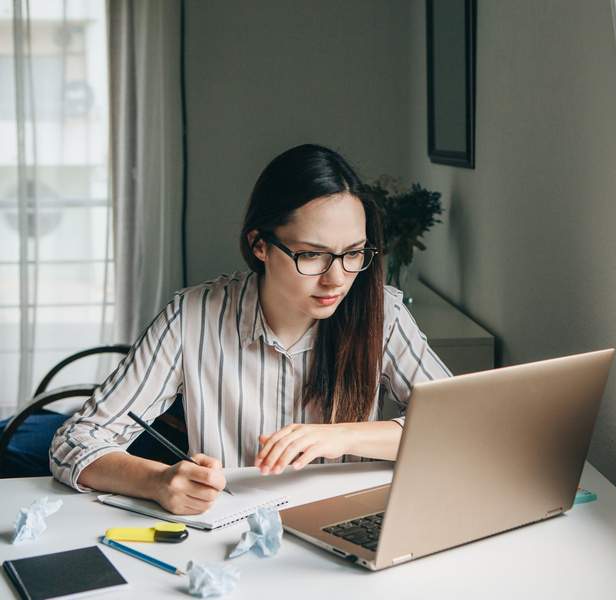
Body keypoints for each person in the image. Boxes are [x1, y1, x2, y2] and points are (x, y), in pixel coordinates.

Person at [50, 144, 451, 514]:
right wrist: (158, 480)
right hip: (230, 533)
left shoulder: (384, 313)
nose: (337, 279)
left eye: (353, 253)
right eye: (311, 255)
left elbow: (459, 428)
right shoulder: (191, 317)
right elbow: (74, 442)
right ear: (260, 245)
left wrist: (341, 436)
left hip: (347, 521)